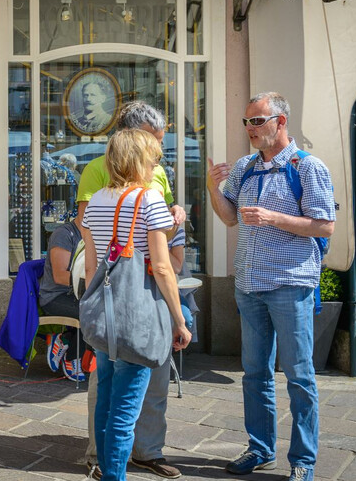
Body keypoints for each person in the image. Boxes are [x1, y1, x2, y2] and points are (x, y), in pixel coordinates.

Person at [207, 92, 335, 481]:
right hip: (249, 284)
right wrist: (213, 188)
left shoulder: (308, 167)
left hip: (290, 285)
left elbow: (325, 225)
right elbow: (230, 218)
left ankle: (303, 461)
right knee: (255, 373)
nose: (250, 128)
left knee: (299, 376)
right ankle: (260, 449)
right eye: (246, 121)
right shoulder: (245, 167)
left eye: (257, 121)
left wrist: (273, 217)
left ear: (280, 122)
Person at [75, 101, 188, 481]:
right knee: (126, 410)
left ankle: (103, 467)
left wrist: (90, 305)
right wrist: (178, 319)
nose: (156, 167)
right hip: (139, 314)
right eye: (153, 161)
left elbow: (92, 266)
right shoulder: (149, 199)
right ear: (139, 162)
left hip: (105, 313)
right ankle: (115, 476)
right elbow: (162, 267)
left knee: (105, 403)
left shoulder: (95, 203)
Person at [41, 218, 85, 381]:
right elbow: (60, 277)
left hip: (78, 294)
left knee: (104, 310)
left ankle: (64, 339)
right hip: (55, 296)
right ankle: (72, 357)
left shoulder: (94, 235)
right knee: (93, 313)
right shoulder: (64, 234)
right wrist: (94, 283)